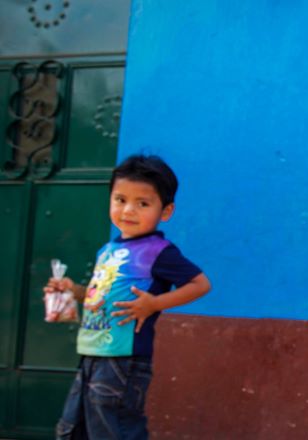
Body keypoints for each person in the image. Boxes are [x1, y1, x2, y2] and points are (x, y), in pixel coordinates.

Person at [45, 154, 212, 439]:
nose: (128, 211)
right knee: (75, 428)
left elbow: (200, 284)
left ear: (166, 211)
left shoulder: (159, 251)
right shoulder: (107, 250)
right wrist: (73, 291)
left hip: (124, 360)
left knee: (114, 430)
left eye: (142, 203)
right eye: (120, 200)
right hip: (92, 355)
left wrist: (154, 303)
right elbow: (102, 296)